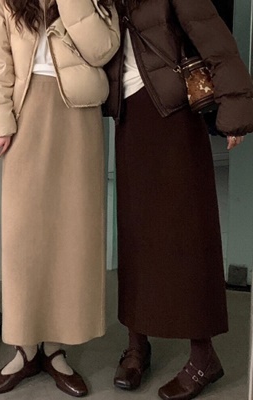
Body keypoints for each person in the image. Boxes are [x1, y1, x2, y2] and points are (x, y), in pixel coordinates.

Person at [104, 1, 253, 400]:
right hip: (129, 115)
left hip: (174, 115)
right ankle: (137, 344)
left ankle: (204, 356)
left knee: (186, 235)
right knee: (135, 234)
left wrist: (235, 107)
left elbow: (213, 36)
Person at [0, 0, 120, 396]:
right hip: (25, 112)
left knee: (73, 232)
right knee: (23, 234)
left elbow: (103, 49)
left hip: (79, 112)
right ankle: (24, 349)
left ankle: (56, 349)